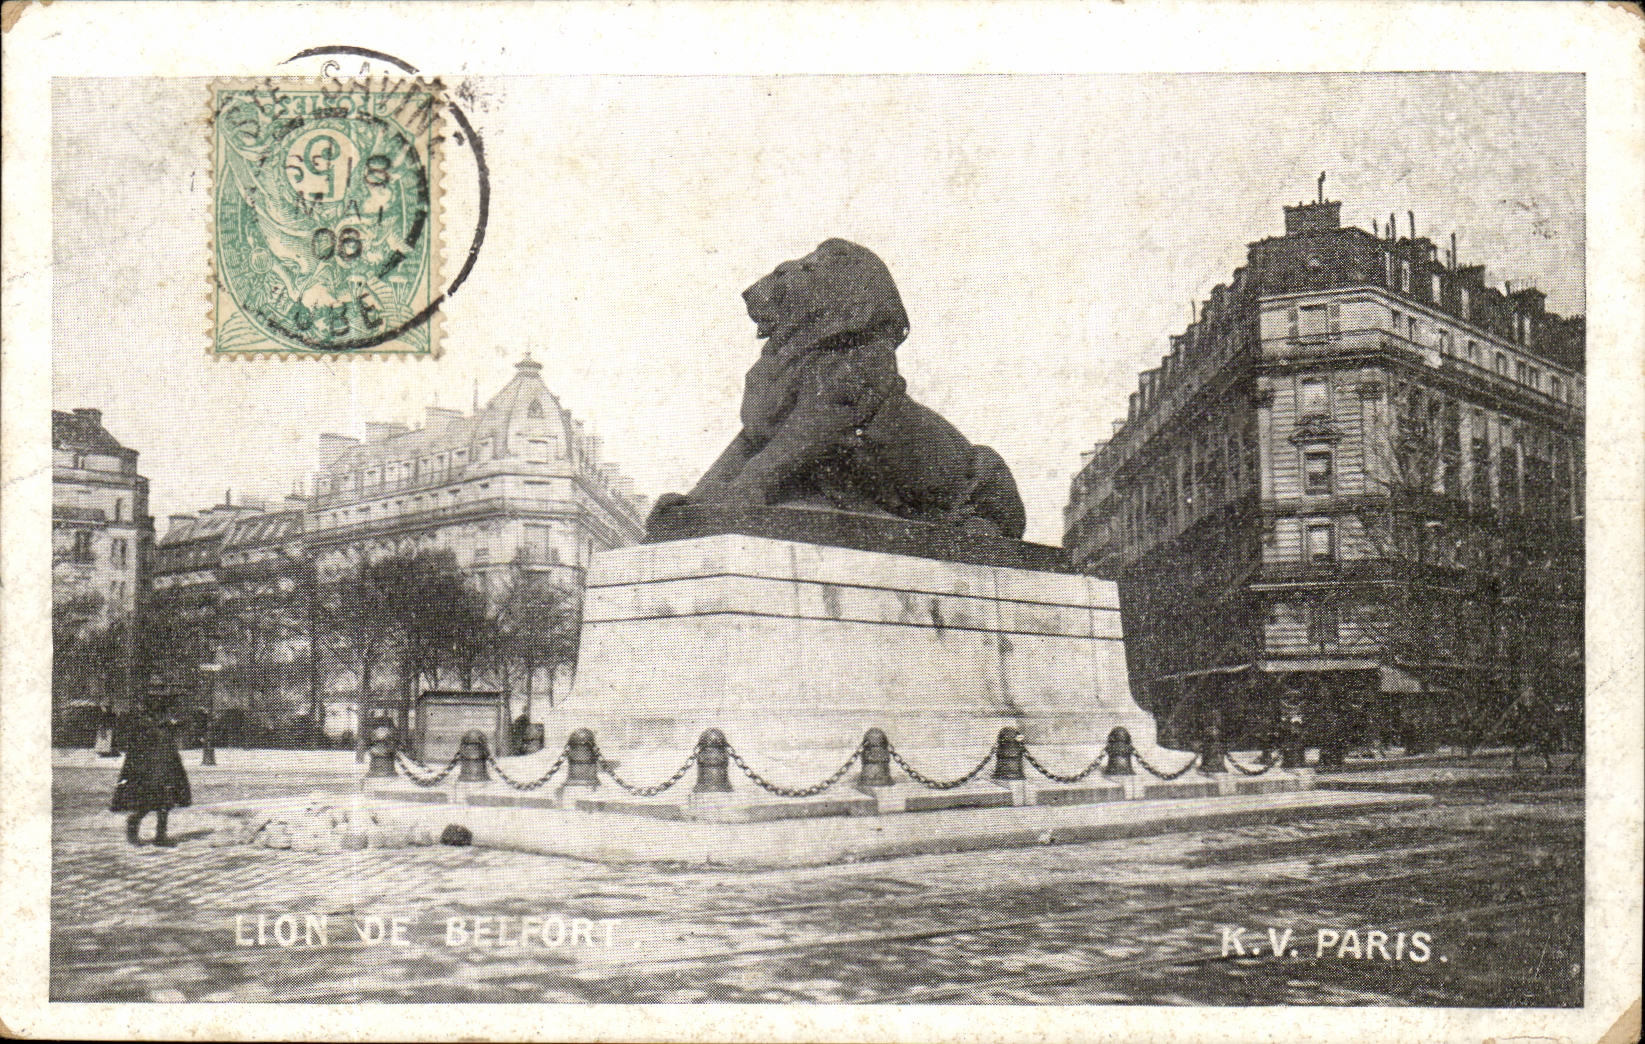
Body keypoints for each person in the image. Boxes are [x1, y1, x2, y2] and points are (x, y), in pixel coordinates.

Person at [110, 705, 191, 846]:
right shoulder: (145, 729)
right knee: (149, 803)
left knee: (165, 804)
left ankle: (160, 836)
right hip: (150, 774)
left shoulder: (165, 728)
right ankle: (134, 824)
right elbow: (137, 753)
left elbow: (171, 750)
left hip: (166, 771)